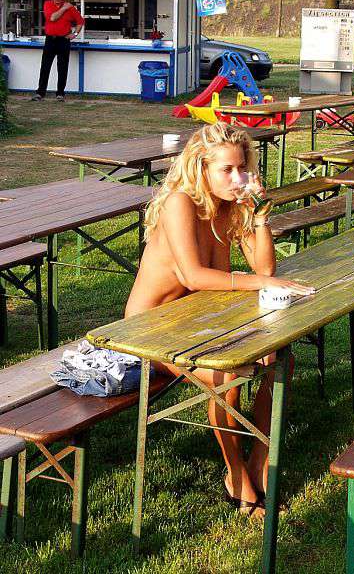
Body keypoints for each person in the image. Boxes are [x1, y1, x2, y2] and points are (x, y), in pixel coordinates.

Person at [125, 122, 315, 517]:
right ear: (201, 169)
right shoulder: (179, 203)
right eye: (226, 170)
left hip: (202, 321)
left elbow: (264, 267)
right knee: (226, 375)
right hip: (151, 331)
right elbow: (194, 276)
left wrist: (260, 216)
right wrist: (261, 282)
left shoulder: (232, 204)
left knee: (279, 357)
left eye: (243, 168)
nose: (238, 178)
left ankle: (261, 459)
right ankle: (236, 475)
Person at [32, 0, 84, 102]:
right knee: (45, 66)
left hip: (63, 40)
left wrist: (75, 34)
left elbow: (80, 21)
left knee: (62, 67)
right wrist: (64, 8)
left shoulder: (70, 7)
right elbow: (52, 18)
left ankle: (60, 93)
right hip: (50, 40)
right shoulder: (48, 4)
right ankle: (40, 93)